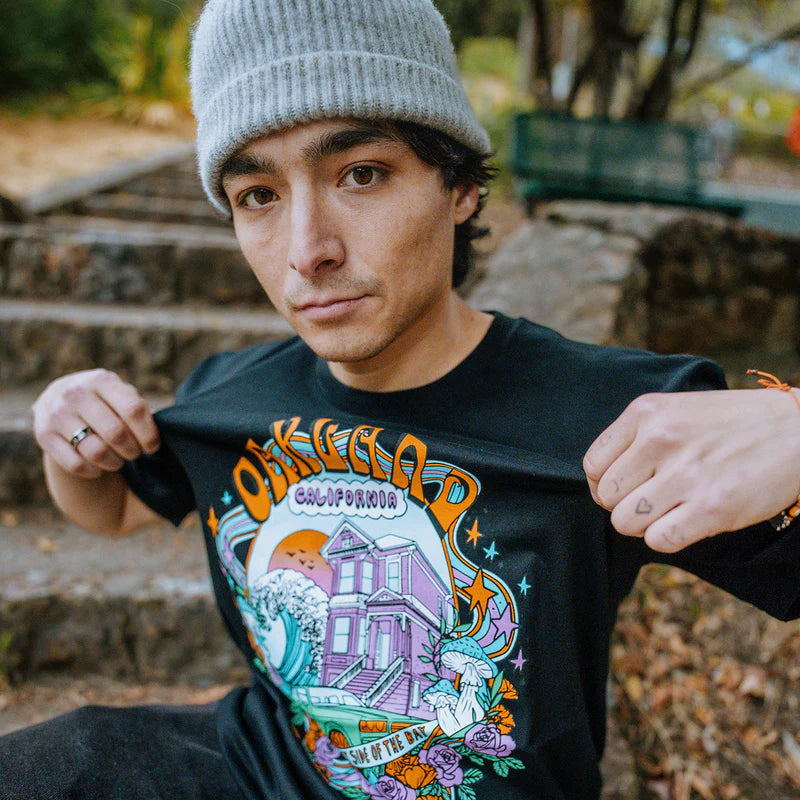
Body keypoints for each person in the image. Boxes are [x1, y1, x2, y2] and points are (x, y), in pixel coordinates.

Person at [4, 0, 800, 798]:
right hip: (255, 769)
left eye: (361, 174)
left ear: (460, 185)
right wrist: (69, 435)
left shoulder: (614, 414)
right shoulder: (227, 393)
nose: (308, 251)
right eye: (258, 195)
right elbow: (112, 509)